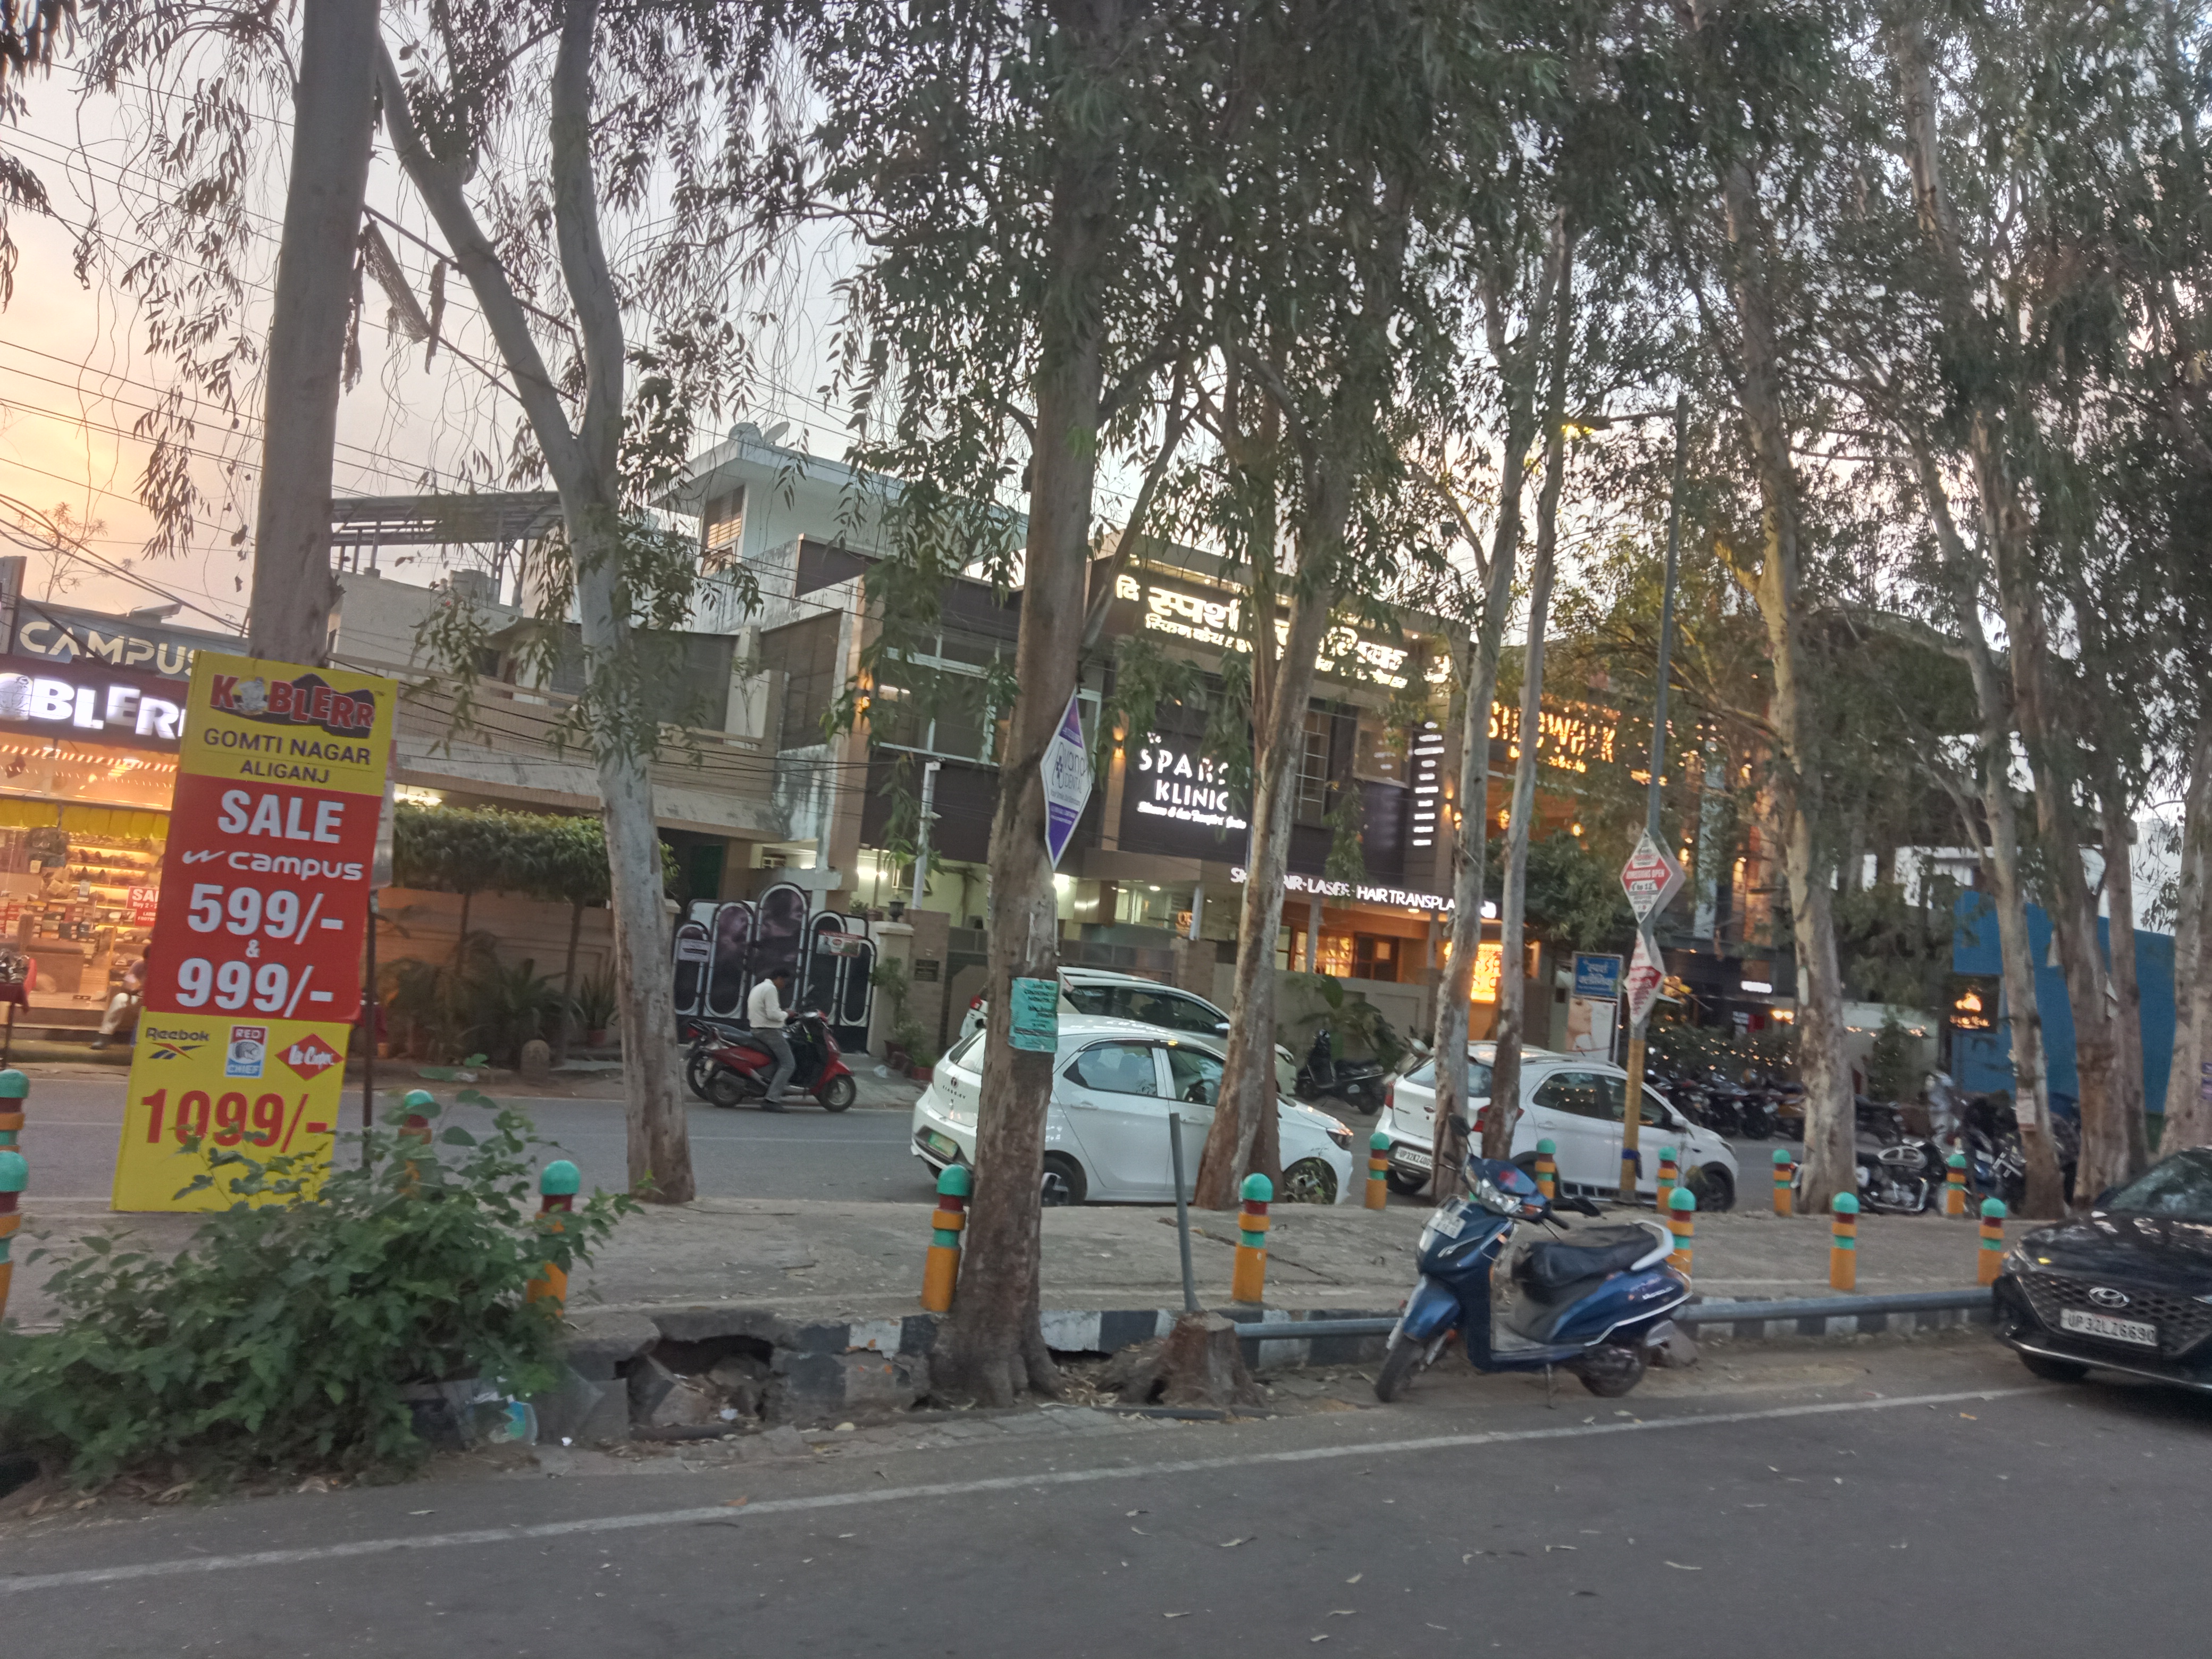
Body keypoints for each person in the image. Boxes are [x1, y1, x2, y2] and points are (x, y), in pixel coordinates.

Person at [744, 966, 797, 1111]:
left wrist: (782, 1013)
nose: (785, 985)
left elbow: (768, 1011)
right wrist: (787, 1014)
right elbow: (773, 1014)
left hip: (757, 1029)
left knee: (777, 1060)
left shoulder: (760, 987)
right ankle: (772, 1099)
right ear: (779, 978)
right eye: (784, 981)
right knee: (789, 1064)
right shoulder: (771, 989)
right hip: (768, 1032)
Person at [90, 954, 147, 1050]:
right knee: (120, 998)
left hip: (155, 1002)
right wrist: (135, 989)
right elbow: (128, 983)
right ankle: (104, 1036)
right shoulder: (139, 964)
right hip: (138, 996)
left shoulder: (165, 967)